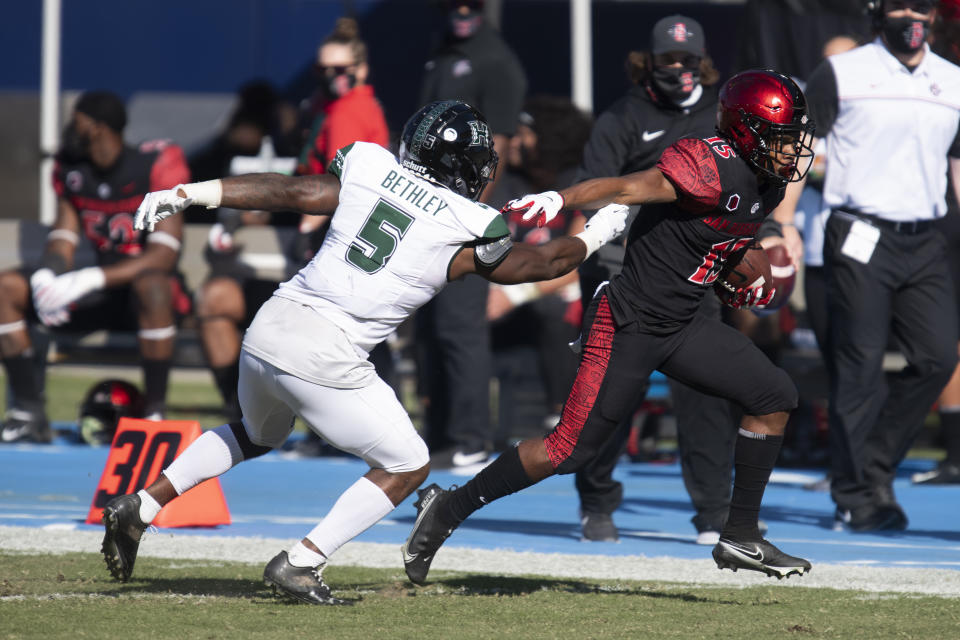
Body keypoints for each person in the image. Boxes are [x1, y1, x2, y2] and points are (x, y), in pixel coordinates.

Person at [100, 100, 629, 605]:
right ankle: (304, 561)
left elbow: (291, 192)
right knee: (408, 464)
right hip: (325, 351)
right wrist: (599, 230)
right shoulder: (467, 223)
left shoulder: (370, 166)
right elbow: (540, 266)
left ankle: (142, 504)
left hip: (270, 326)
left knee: (258, 433)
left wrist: (193, 192)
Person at [402, 70, 816, 583]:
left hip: (684, 322)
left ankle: (741, 535)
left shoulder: (768, 183)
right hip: (628, 323)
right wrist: (562, 199)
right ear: (747, 131)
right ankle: (446, 509)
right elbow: (626, 186)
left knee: (774, 395)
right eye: (780, 136)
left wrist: (735, 271)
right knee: (568, 451)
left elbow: (707, 241)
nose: (791, 148)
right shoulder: (709, 164)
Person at [773, 0, 960, 527]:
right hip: (859, 231)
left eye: (921, 5)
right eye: (901, 5)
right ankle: (857, 496)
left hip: (924, 236)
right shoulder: (842, 72)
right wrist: (783, 224)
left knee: (937, 358)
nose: (912, 15)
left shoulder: (952, 80)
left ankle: (870, 466)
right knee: (860, 367)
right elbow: (800, 147)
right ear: (878, 13)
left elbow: (957, 162)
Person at [567, 14, 742, 545]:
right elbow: (595, 194)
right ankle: (596, 501)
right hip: (626, 275)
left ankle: (714, 512)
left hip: (694, 277)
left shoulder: (720, 117)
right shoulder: (623, 117)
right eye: (670, 60)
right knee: (609, 394)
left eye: (689, 61)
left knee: (708, 393)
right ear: (651, 62)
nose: (680, 70)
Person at [197, 18, 391, 423]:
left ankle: (351, 426)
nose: (331, 78)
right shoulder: (329, 105)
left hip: (339, 232)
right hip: (325, 232)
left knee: (342, 337)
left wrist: (306, 219)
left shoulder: (349, 111)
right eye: (323, 70)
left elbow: (339, 186)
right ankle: (269, 417)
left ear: (361, 70)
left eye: (341, 70)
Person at [0, 91, 190, 443]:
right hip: (99, 296)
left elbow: (164, 255)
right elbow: (63, 236)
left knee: (152, 285)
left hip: (148, 299)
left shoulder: (154, 164)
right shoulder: (73, 169)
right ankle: (27, 410)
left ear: (99, 127)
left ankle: (153, 415)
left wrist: (91, 277)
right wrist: (48, 272)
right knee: (6, 287)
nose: (72, 128)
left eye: (78, 120)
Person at [416, 0, 527, 467]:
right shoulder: (442, 52)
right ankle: (438, 433)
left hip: (459, 211)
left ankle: (471, 436)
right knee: (427, 325)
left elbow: (496, 147)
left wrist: (469, 212)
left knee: (459, 326)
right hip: (422, 203)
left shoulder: (496, 61)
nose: (461, 10)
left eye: (471, 4)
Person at [485, 96, 592, 447]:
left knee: (554, 310)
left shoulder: (576, 185)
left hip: (551, 293)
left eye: (524, 135)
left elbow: (579, 259)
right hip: (502, 290)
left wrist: (512, 295)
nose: (515, 143)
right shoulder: (507, 184)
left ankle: (561, 416)